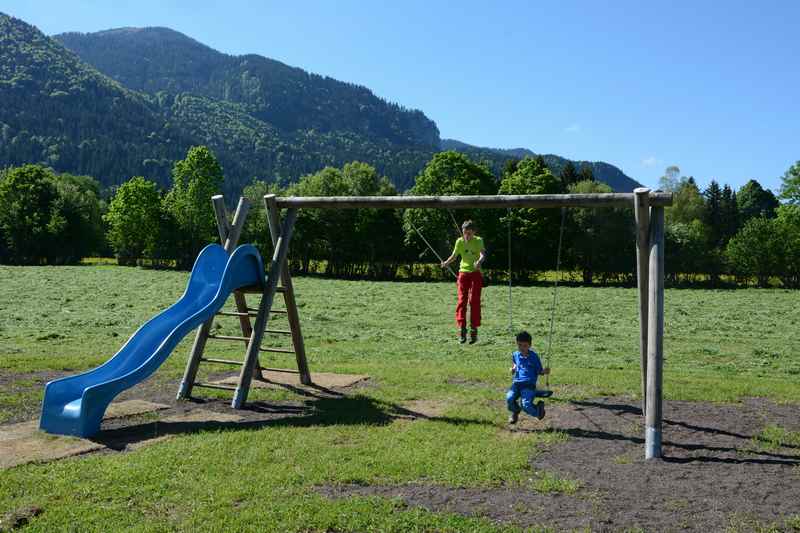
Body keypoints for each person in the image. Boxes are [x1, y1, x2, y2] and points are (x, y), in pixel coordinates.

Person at [441, 220, 486, 344]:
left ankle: (474, 330)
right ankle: (462, 330)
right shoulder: (459, 241)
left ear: (474, 232)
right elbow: (454, 256)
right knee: (462, 301)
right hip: (463, 273)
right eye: (465, 233)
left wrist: (479, 262)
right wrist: (446, 262)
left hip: (476, 273)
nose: (467, 236)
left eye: (469, 233)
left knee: (474, 301)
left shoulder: (478, 240)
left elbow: (483, 254)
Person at [506, 330, 550, 424]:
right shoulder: (515, 354)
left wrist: (544, 371)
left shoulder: (534, 357)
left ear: (530, 345)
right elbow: (515, 364)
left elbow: (539, 371)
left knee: (525, 405)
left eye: (524, 345)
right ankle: (515, 411)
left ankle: (538, 411)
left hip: (528, 385)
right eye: (519, 345)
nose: (522, 348)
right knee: (509, 398)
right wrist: (513, 368)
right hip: (516, 383)